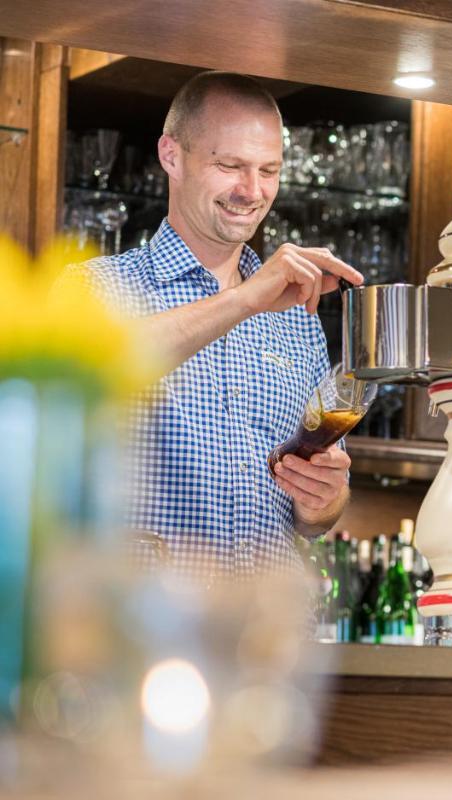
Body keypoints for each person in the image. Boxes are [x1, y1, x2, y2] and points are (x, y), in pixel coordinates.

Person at [80, 71, 364, 573]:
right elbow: (104, 364)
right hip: (136, 632)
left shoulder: (297, 319)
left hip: (264, 634)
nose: (251, 191)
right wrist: (246, 298)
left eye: (269, 170)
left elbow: (317, 516)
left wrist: (323, 499)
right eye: (230, 165)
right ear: (172, 156)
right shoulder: (96, 288)